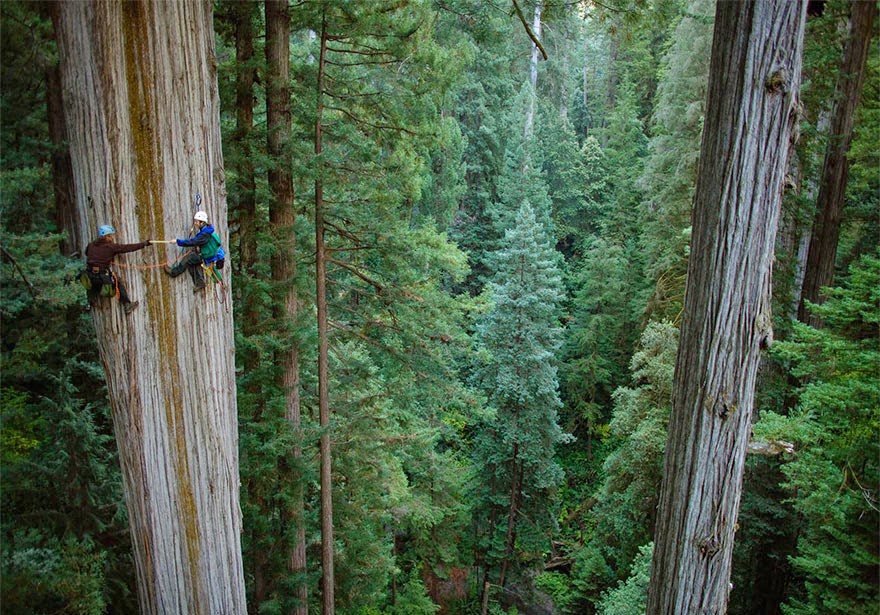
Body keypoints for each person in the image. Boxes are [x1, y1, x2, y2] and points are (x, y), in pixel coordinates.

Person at [83, 224, 152, 314]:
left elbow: (86, 253)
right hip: (102, 277)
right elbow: (127, 248)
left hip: (89, 275)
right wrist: (144, 244)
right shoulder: (111, 247)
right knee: (117, 281)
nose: (112, 237)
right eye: (111, 235)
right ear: (107, 236)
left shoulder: (91, 245)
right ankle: (127, 304)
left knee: (91, 284)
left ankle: (88, 304)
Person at [164, 210, 225, 292]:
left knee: (188, 259)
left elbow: (193, 241)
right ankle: (200, 283)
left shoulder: (205, 234)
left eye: (196, 221)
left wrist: (177, 241)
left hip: (208, 256)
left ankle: (173, 272)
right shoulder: (207, 230)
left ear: (202, 222)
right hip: (211, 254)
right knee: (192, 263)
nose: (195, 223)